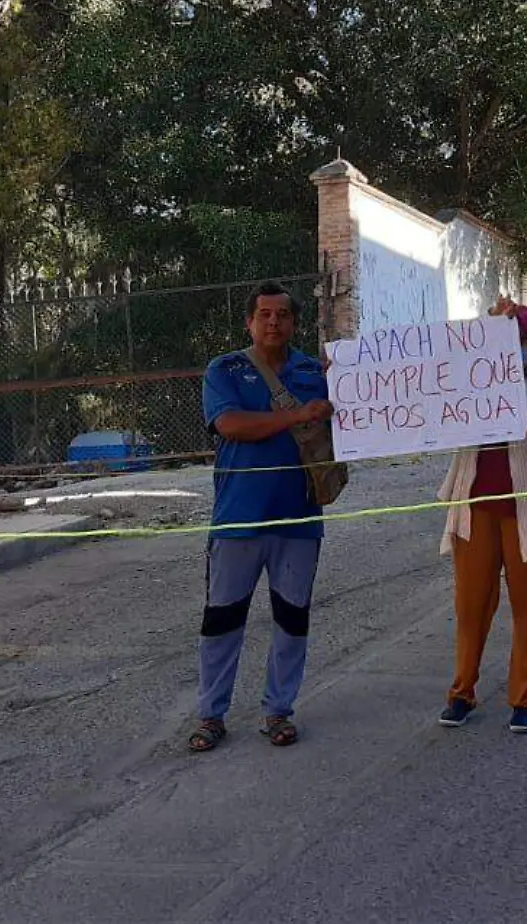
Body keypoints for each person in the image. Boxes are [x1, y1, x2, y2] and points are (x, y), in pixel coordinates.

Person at [188, 282, 332, 752]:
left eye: (283, 315)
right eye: (264, 314)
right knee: (222, 621)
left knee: (292, 621)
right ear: (249, 322)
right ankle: (211, 715)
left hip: (299, 520)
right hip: (238, 521)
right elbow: (230, 424)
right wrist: (297, 417)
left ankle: (278, 711)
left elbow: (373, 404)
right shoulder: (224, 370)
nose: (274, 322)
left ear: (294, 323)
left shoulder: (316, 371)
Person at [434, 300, 527, 733]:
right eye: (503, 341)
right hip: (474, 511)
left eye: (519, 340)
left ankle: (523, 699)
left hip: (526, 514)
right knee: (471, 607)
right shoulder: (468, 382)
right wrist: (489, 320)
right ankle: (461, 693)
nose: (511, 348)